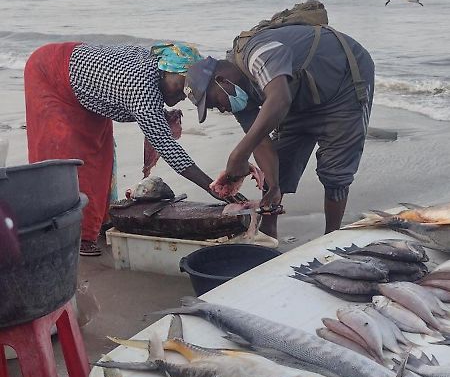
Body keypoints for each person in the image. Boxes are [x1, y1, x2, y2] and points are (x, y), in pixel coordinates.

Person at [24, 41, 218, 256]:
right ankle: (70, 234)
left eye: (188, 92)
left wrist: (158, 118)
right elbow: (168, 147)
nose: (183, 96)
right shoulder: (141, 87)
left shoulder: (154, 73)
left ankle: (95, 223)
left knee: (99, 159)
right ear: (166, 71)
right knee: (66, 158)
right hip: (50, 74)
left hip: (87, 90)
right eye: (182, 86)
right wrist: (213, 187)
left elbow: (147, 112)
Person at [184, 24, 374, 239]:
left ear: (221, 81)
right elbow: (261, 142)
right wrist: (273, 184)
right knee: (280, 165)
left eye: (213, 102)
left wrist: (239, 154)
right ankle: (268, 231)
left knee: (336, 171)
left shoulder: (258, 54)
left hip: (344, 83)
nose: (220, 109)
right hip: (299, 95)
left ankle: (332, 237)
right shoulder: (239, 98)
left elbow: (280, 99)